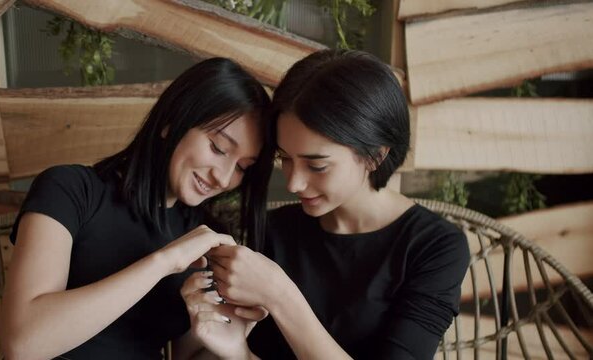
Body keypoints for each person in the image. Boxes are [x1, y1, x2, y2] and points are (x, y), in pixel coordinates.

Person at [181, 49, 471, 359]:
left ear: (376, 155)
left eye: (316, 166)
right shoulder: (276, 229)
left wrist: (281, 295)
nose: (294, 183)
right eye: (285, 159)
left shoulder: (435, 247)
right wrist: (229, 346)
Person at [1, 57, 276, 359]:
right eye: (218, 148)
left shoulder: (207, 238)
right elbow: (23, 344)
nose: (223, 178)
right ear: (171, 121)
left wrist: (225, 338)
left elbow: (188, 354)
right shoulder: (71, 190)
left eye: (242, 167)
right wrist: (164, 262)